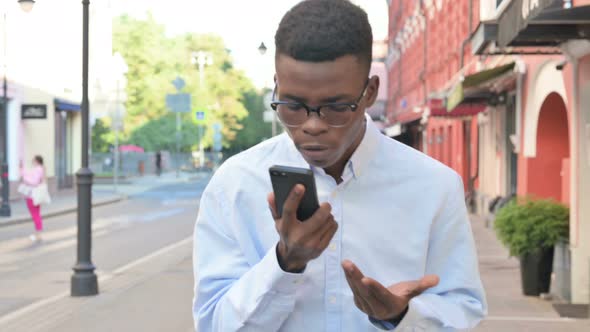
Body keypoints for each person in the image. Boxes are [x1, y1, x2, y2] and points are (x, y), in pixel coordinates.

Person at [193, 1, 487, 331]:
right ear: (276, 86)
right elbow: (214, 324)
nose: (313, 126)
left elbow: (462, 310)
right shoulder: (234, 185)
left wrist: (400, 318)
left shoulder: (434, 186)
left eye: (336, 107)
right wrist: (285, 263)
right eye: (292, 106)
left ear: (370, 92)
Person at [19, 155, 46, 243]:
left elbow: (33, 181)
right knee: (37, 214)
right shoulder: (40, 168)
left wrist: (25, 180)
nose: (32, 162)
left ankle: (38, 235)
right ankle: (38, 234)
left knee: (35, 214)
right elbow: (29, 175)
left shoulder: (38, 169)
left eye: (33, 160)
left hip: (32, 195)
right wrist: (22, 170)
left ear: (37, 161)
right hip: (35, 194)